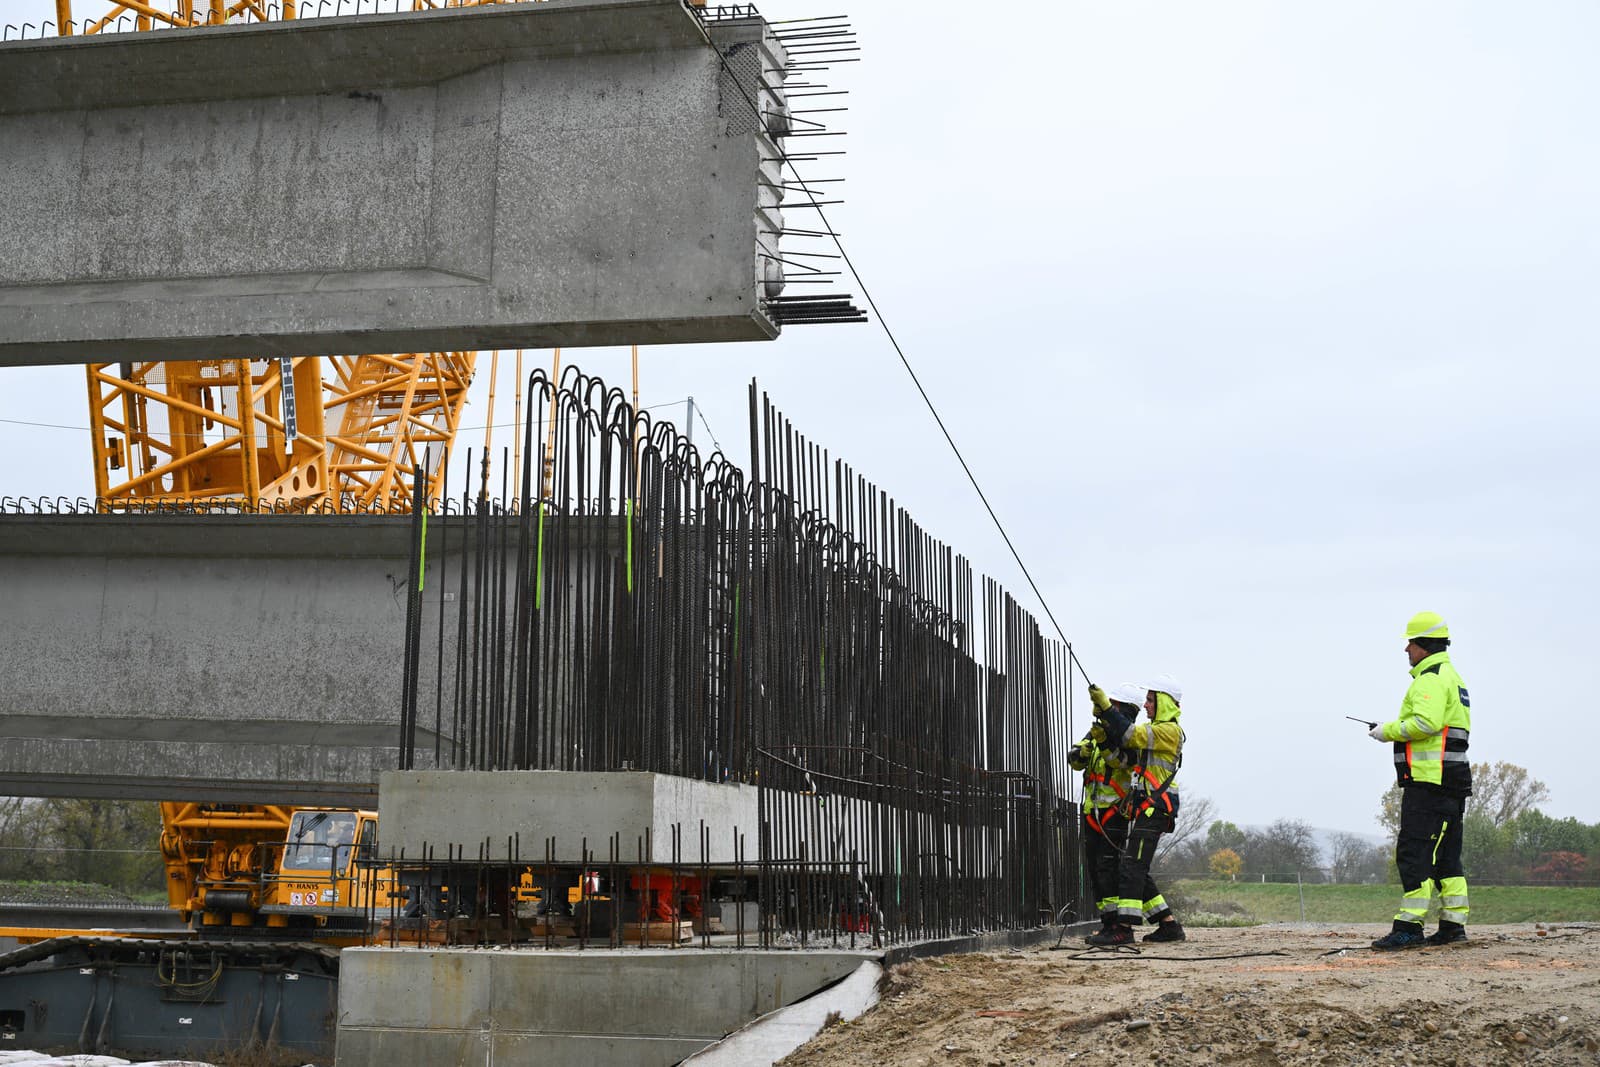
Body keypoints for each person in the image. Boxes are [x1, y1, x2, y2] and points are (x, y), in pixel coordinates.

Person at [1368, 611, 1473, 950]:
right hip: (1452, 782)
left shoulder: (1430, 678)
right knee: (1447, 857)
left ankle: (1408, 928)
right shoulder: (1452, 677)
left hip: (1429, 784)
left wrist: (1388, 731)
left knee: (1414, 854)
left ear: (1423, 645)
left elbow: (1425, 723)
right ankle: (1453, 926)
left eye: (1410, 643)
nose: (1406, 650)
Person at [1086, 674, 1186, 947]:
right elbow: (1123, 755)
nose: (1146, 705)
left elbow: (1130, 734)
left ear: (1165, 702)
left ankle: (1124, 928)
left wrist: (1106, 708)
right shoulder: (1156, 731)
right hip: (1147, 807)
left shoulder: (1168, 731)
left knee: (1131, 866)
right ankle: (1168, 925)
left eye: (1152, 700)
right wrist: (1105, 731)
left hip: (1157, 807)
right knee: (1134, 866)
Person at [1068, 683, 1142, 936]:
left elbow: (1122, 761)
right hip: (1091, 811)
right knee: (1095, 869)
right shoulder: (1096, 731)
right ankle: (1107, 921)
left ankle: (1119, 926)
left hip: (1114, 813)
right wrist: (1083, 751)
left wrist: (1105, 743)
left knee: (1108, 868)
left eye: (1113, 704)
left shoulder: (1131, 737)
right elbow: (1074, 760)